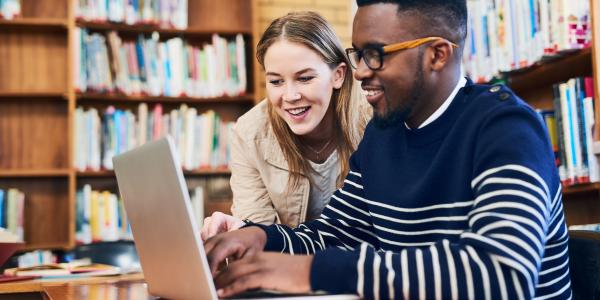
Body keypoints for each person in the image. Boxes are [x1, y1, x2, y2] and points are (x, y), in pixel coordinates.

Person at [205, 0, 572, 299]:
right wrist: (259, 236)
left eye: (376, 54)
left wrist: (315, 271)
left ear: (438, 55)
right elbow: (332, 235)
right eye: (358, 55)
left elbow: (502, 273)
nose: (361, 71)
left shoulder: (507, 129)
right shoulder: (384, 133)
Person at [201, 12, 371, 240]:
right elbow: (259, 237)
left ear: (338, 75)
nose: (290, 96)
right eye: (276, 81)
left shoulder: (374, 116)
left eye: (305, 78)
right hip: (291, 266)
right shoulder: (250, 133)